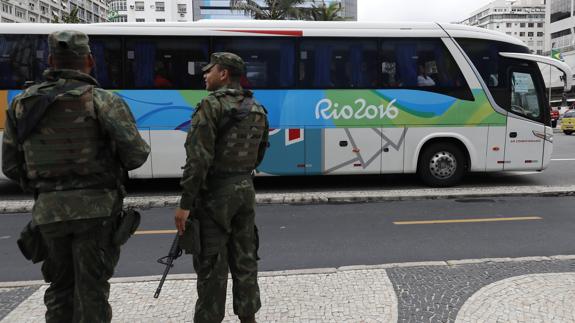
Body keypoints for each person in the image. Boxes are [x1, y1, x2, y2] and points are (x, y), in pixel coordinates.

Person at [1, 30, 150, 323]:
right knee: (92, 289)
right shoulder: (103, 101)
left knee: (59, 288)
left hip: (49, 214)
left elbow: (11, 166)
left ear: (52, 59)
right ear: (90, 61)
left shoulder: (22, 103)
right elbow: (136, 155)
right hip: (97, 212)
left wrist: (47, 185)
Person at [175, 52, 269, 323]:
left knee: (212, 266)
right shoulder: (257, 108)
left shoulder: (210, 106)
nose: (205, 75)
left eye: (210, 71)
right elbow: (260, 154)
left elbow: (198, 160)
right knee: (245, 261)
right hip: (244, 191)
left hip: (215, 195)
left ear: (224, 74)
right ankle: (248, 318)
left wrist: (185, 204)